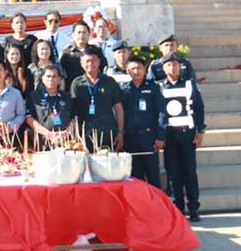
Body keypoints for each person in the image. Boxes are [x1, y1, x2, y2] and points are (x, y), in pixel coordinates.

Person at [159, 53, 206, 221]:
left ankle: (194, 208)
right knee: (173, 174)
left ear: (180, 66)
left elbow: (199, 108)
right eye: (169, 65)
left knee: (190, 173)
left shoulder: (189, 84)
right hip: (169, 137)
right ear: (163, 68)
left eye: (175, 65)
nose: (172, 68)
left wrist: (200, 131)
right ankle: (178, 209)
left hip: (187, 135)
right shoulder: (160, 86)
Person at [121, 55, 166, 187]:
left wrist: (160, 137)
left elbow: (162, 113)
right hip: (130, 139)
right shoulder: (124, 89)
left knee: (153, 177)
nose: (136, 71)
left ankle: (156, 207)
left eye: (139, 68)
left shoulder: (153, 87)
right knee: (135, 178)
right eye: (133, 68)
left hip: (149, 138)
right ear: (127, 71)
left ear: (145, 69)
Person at [70, 46, 124, 152]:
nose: (90, 64)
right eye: (87, 61)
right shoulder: (77, 83)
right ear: (81, 63)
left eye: (93, 60)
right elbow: (73, 112)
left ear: (99, 61)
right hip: (85, 134)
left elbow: (118, 107)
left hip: (108, 132)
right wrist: (75, 136)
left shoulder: (109, 82)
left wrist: (121, 132)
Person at [25, 65, 74, 142]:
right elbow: (29, 119)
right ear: (42, 78)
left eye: (54, 76)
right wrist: (48, 134)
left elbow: (74, 118)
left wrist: (66, 132)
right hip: (42, 140)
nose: (51, 79)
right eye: (48, 76)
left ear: (59, 79)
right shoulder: (34, 96)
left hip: (65, 140)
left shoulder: (67, 96)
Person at [60, 21, 106, 91]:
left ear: (88, 35)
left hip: (93, 89)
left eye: (84, 32)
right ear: (73, 35)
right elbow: (61, 73)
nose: (81, 35)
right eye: (79, 32)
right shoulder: (66, 52)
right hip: (73, 90)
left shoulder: (96, 50)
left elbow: (104, 68)